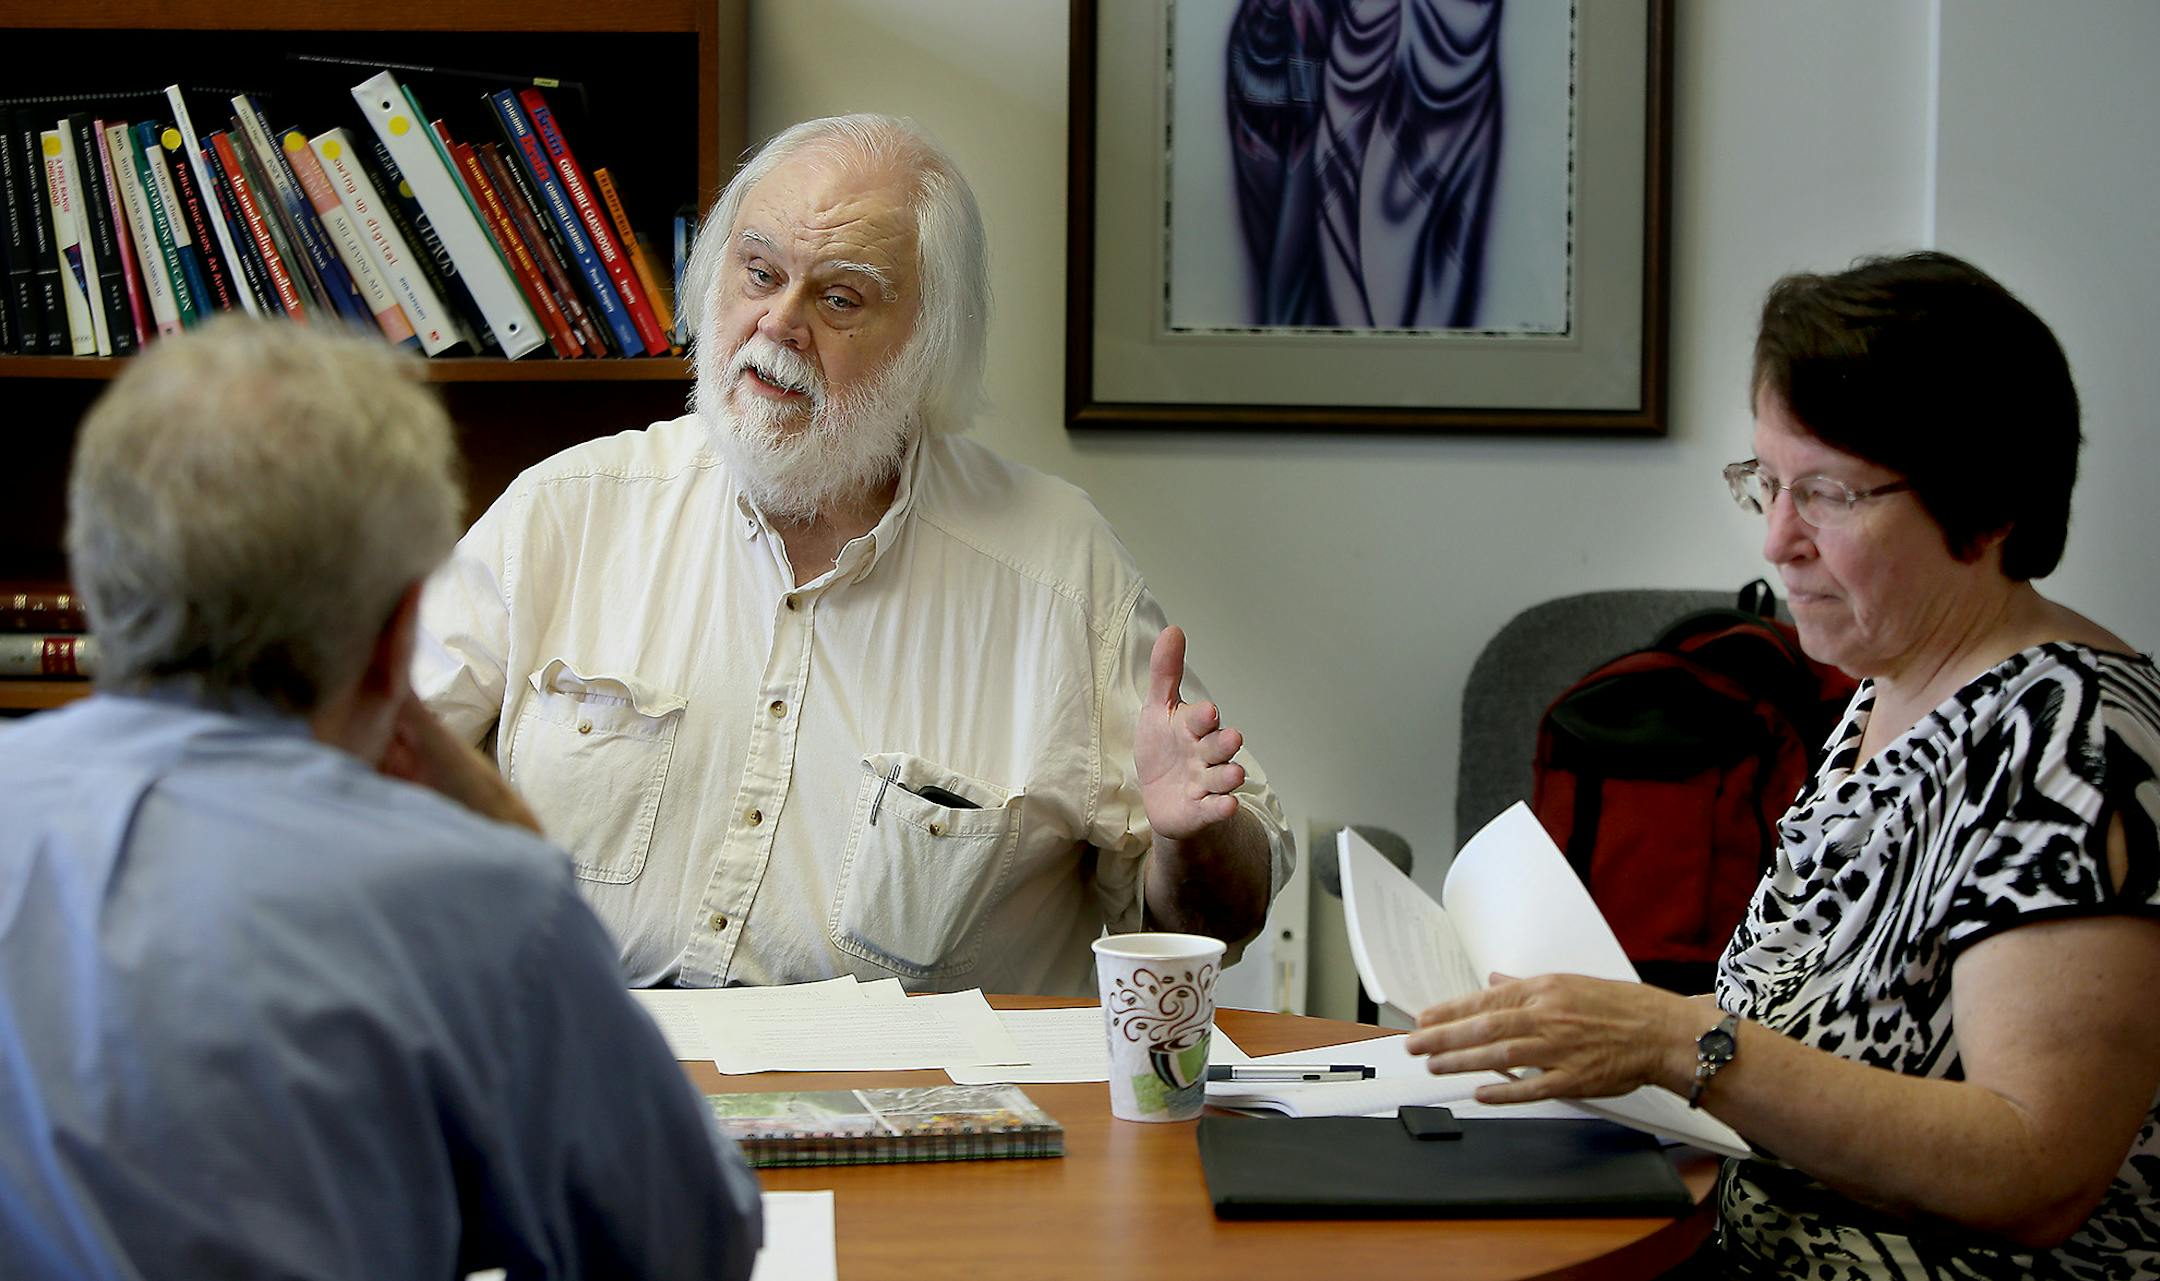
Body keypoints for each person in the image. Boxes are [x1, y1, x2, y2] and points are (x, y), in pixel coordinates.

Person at [415, 113, 1294, 995]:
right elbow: (341, 770)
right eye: (759, 273)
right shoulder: (563, 513)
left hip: (918, 1114)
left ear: (927, 343)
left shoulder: (1057, 570)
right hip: (583, 1081)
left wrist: (1195, 835)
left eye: (841, 298)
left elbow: (1221, 917)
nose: (780, 322)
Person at [1406, 252, 2160, 1277]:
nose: (1777, 540)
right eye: (1766, 484)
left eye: (1830, 496)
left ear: (1982, 507)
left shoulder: (2071, 740)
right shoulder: (1883, 694)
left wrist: (1679, 1044)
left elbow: (2035, 1170)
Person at [0, 319, 762, 1280]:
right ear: (399, 627)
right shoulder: (480, 903)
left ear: (95, 576)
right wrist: (518, 846)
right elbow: (690, 1244)